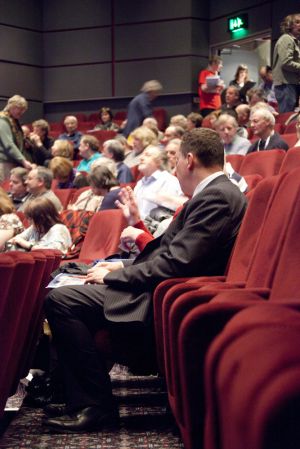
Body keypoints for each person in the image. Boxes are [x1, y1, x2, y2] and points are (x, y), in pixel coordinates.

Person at [43, 128, 247, 433]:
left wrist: (116, 277)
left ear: (189, 159)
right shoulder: (212, 194)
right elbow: (169, 255)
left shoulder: (217, 196)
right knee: (68, 278)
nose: (175, 169)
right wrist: (115, 268)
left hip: (160, 298)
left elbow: (176, 263)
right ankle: (69, 390)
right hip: (158, 288)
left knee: (62, 301)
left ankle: (94, 406)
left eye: (175, 160)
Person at [133, 145, 183, 219]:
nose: (141, 158)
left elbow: (169, 216)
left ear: (160, 161)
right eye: (142, 155)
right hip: (138, 227)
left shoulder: (169, 181)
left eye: (147, 155)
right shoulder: (140, 183)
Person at [0, 95, 33, 182]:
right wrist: (23, 161)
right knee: (5, 190)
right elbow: (8, 144)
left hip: (12, 161)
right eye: (20, 109)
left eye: (23, 109)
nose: (22, 112)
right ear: (12, 107)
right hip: (4, 163)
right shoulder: (2, 120)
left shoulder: (13, 120)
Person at [272, 13, 300, 112]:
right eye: (297, 22)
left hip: (290, 83)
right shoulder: (286, 38)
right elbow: (286, 62)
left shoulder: (294, 41)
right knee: (287, 116)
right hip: (286, 84)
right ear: (289, 25)